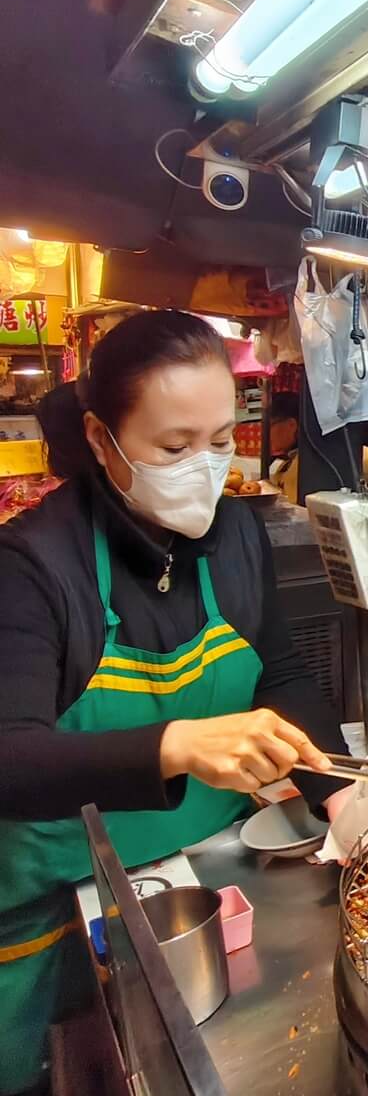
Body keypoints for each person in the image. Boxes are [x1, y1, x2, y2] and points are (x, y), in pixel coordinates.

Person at [0, 311, 348, 1095]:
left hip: (206, 892)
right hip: (57, 925)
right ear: (100, 438)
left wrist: (343, 795)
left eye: (223, 440)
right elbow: (8, 757)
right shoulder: (32, 566)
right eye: (174, 447)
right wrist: (176, 745)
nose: (206, 469)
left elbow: (281, 675)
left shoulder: (236, 537)